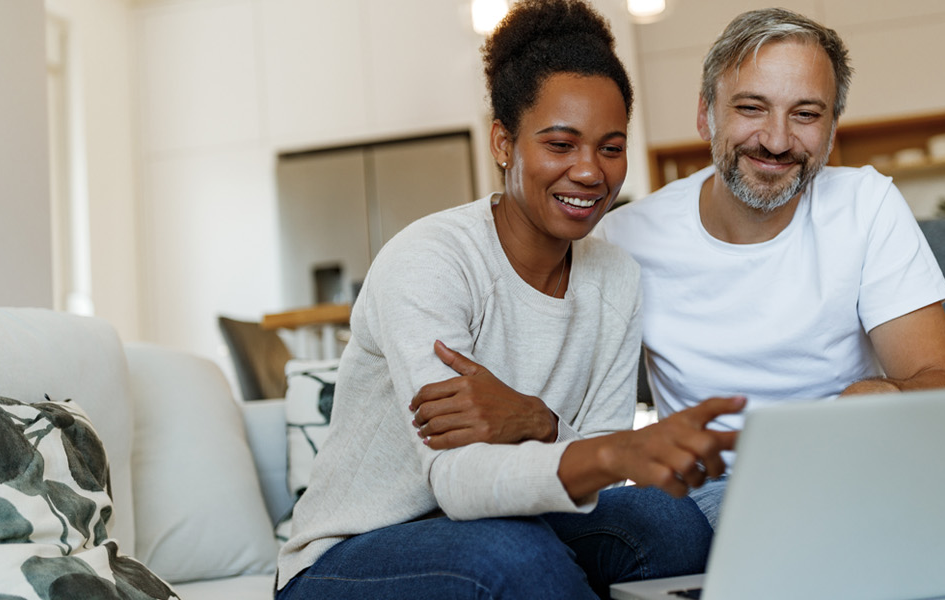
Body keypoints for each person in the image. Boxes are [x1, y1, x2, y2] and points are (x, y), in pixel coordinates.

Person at [275, 2, 739, 598]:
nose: (590, 172)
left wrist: (537, 420)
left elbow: (590, 476)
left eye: (610, 147)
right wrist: (611, 450)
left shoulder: (615, 277)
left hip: (513, 517)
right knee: (517, 560)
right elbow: (458, 481)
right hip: (356, 551)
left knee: (672, 528)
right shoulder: (432, 260)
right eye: (560, 144)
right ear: (503, 141)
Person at [592, 8, 945, 526]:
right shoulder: (623, 237)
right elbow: (589, 422)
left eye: (806, 115)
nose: (775, 139)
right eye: (751, 108)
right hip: (706, 494)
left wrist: (889, 392)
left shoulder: (867, 203)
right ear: (706, 114)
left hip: (854, 473)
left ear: (832, 130)